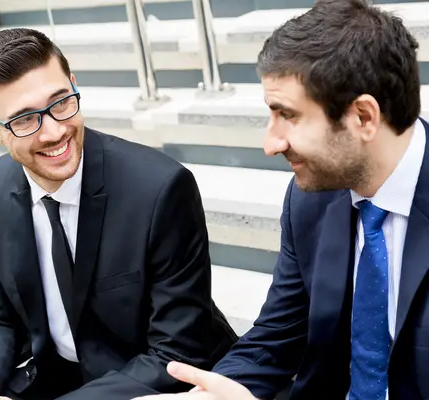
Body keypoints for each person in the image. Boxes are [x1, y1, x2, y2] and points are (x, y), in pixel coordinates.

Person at [0, 28, 237, 400]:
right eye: (24, 119)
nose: (54, 131)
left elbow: (175, 353)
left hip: (155, 385)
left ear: (74, 85)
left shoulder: (160, 188)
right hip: (58, 378)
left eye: (61, 102)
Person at [132, 0, 429, 399]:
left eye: (287, 115)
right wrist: (215, 393)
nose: (270, 144)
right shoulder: (312, 199)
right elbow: (277, 334)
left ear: (363, 117)